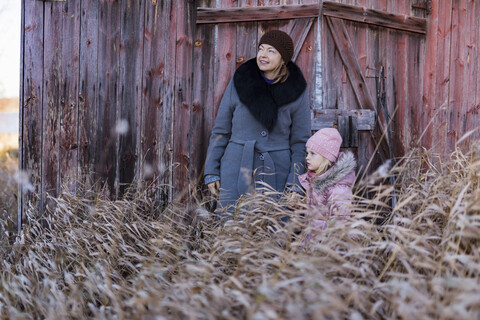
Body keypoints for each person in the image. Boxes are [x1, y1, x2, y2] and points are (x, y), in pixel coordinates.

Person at [204, 30, 311, 211]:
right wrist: (211, 171)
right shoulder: (241, 81)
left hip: (278, 172)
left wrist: (295, 182)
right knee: (232, 230)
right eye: (261, 48)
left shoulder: (297, 90)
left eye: (271, 51)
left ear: (283, 59)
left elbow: (300, 142)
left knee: (274, 232)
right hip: (236, 169)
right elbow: (221, 131)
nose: (263, 54)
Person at [298, 128, 356, 230]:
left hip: (325, 243)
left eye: (312, 153)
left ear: (327, 158)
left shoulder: (338, 189)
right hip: (310, 241)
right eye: (307, 153)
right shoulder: (311, 181)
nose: (307, 157)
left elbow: (339, 224)